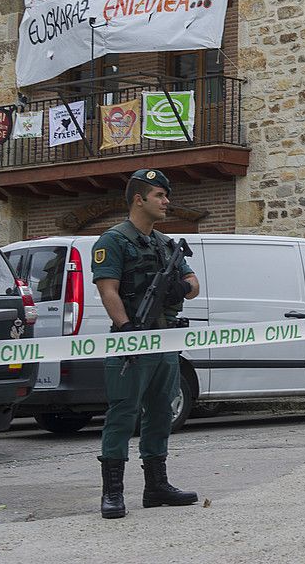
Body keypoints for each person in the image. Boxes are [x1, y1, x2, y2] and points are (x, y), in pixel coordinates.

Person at [92, 168, 200, 519]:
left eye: (166, 196)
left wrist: (180, 288)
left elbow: (193, 282)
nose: (166, 201)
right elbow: (108, 290)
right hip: (131, 339)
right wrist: (125, 328)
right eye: (159, 196)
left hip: (165, 339)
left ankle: (156, 486)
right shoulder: (112, 240)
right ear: (139, 199)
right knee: (122, 414)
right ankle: (113, 492)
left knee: (160, 412)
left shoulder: (166, 243)